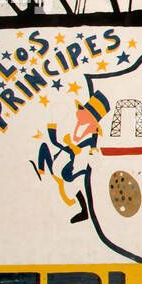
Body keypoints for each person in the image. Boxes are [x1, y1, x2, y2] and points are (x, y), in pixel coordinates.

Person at [33, 91, 110, 224]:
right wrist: (53, 127)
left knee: (72, 185)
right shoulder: (73, 126)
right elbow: (56, 141)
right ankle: (41, 173)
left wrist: (89, 157)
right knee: (44, 148)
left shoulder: (91, 139)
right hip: (61, 163)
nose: (79, 112)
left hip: (71, 169)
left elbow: (95, 159)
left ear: (90, 118)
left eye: (83, 111)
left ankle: (84, 211)